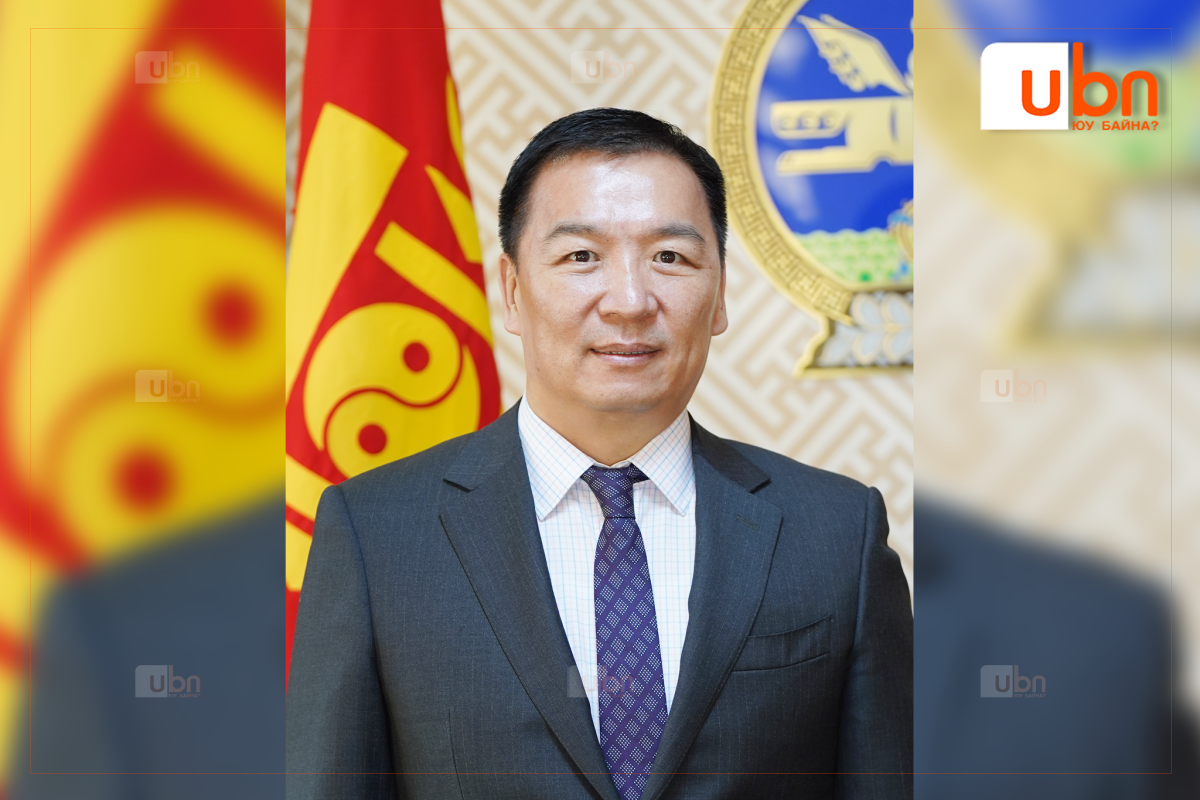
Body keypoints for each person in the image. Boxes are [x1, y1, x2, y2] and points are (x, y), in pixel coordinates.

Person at [286, 107, 912, 800]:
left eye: (670, 257)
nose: (630, 302)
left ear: (719, 294)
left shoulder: (837, 532)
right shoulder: (376, 535)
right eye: (581, 256)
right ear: (513, 291)